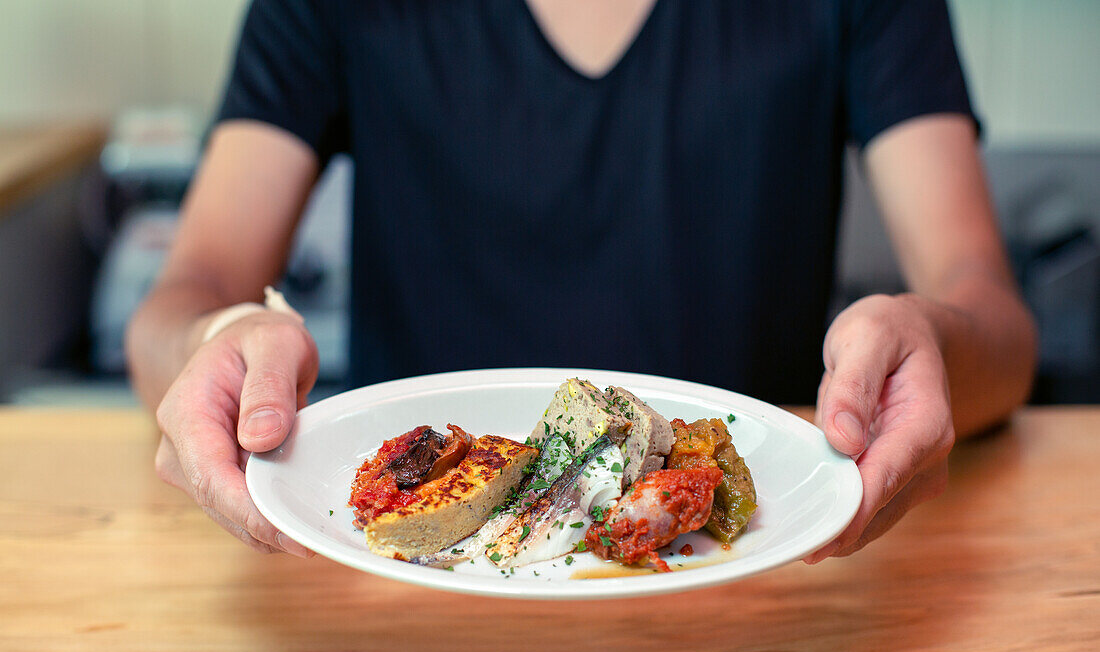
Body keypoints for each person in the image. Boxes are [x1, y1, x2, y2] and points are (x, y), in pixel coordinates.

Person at [126, 0, 1037, 563]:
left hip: (753, 592)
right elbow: (182, 297)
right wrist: (218, 343)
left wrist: (932, 340)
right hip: (392, 601)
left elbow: (994, 322)